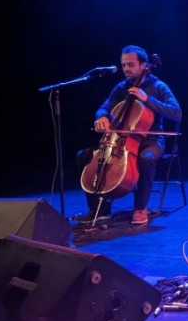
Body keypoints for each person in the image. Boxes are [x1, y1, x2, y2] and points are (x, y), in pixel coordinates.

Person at [75, 45, 182, 225]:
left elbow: (176, 112)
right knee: (83, 155)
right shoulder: (121, 88)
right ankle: (100, 210)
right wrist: (101, 116)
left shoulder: (158, 86)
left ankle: (140, 208)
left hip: (151, 140)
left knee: (146, 158)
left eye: (131, 65)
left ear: (143, 65)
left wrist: (147, 99)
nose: (126, 69)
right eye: (124, 65)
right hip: (120, 141)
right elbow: (104, 107)